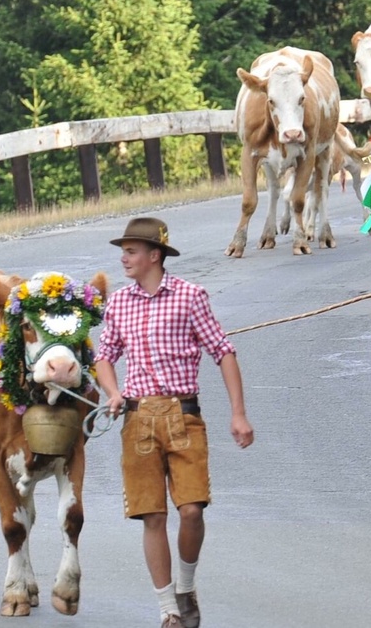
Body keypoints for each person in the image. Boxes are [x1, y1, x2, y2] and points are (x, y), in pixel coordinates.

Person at [95, 216, 255, 628]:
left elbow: (223, 351)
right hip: (138, 419)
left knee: (191, 512)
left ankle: (186, 584)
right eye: (123, 252)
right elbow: (104, 356)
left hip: (183, 415)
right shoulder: (119, 303)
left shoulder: (190, 297)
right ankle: (168, 608)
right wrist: (113, 392)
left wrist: (238, 414)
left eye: (131, 252)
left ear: (155, 255)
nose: (124, 259)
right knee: (153, 516)